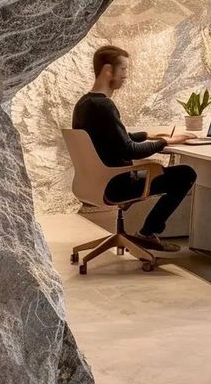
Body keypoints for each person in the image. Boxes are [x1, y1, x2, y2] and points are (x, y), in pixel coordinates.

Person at [72, 45, 197, 252]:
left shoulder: (84, 104)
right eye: (123, 70)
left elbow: (114, 139)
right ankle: (147, 232)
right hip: (117, 184)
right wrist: (168, 142)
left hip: (95, 182)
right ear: (107, 71)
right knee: (186, 174)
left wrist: (149, 135)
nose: (126, 76)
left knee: (171, 172)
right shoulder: (105, 107)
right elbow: (130, 150)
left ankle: (145, 232)